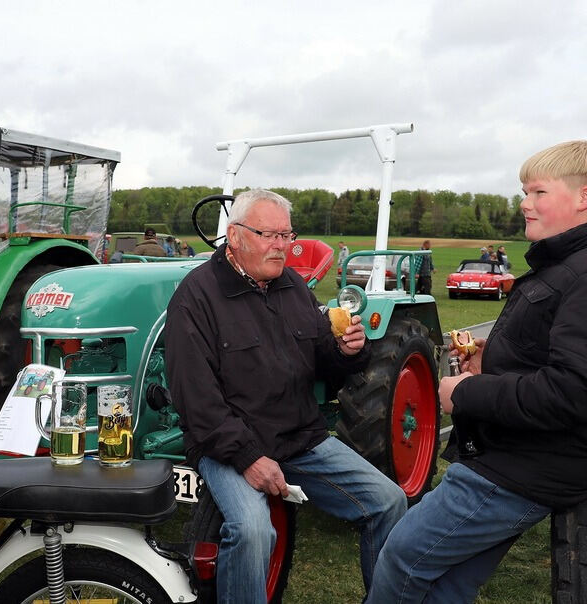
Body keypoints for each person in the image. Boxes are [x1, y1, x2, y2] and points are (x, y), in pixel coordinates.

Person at [372, 141, 587, 603]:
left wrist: (466, 393)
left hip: (530, 463)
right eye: (524, 191)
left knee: (402, 556)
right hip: (521, 452)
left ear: (583, 197)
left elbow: (574, 392)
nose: (524, 203)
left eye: (537, 192)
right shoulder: (573, 264)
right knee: (449, 581)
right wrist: (493, 362)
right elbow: (560, 358)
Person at [164, 189, 406, 604]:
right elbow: (196, 399)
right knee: (254, 530)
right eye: (269, 235)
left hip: (299, 439)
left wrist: (349, 351)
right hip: (229, 446)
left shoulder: (292, 286)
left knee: (389, 501)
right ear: (235, 237)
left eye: (286, 235)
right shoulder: (197, 296)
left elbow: (320, 362)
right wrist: (247, 458)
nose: (283, 247)